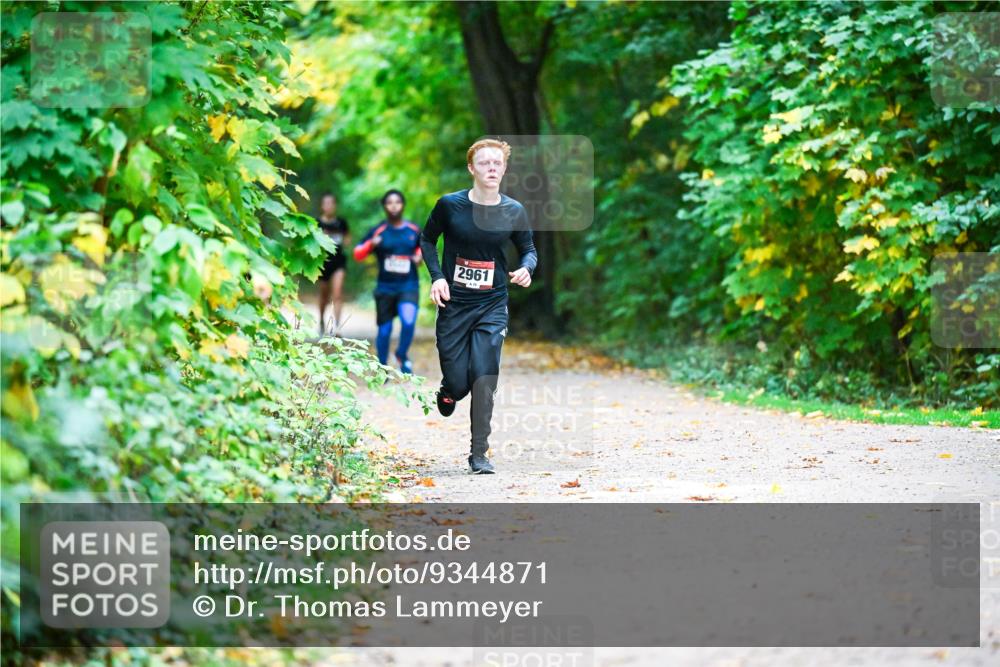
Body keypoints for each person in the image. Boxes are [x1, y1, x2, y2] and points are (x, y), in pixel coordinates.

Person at [420, 139, 537, 475]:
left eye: (497, 163)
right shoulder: (449, 206)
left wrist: (527, 268)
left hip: (492, 304)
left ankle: (479, 453)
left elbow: (529, 249)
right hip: (455, 305)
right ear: (471, 168)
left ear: (503, 168)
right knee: (459, 383)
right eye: (484, 163)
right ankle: (448, 390)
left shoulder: (513, 210)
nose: (491, 168)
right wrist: (437, 277)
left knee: (484, 376)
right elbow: (428, 239)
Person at [353, 190, 422, 373]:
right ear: (384, 206)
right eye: (389, 202)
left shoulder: (413, 230)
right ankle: (382, 366)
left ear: (403, 205)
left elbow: (424, 249)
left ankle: (401, 354)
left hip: (408, 285)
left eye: (397, 202)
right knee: (384, 331)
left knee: (408, 322)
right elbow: (358, 253)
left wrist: (418, 256)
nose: (394, 206)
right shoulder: (378, 230)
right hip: (385, 287)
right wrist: (371, 244)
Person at [315, 192, 350, 336]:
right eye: (326, 203)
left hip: (338, 262)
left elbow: (347, 241)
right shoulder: (316, 223)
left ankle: (337, 326)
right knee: (324, 295)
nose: (328, 206)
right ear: (322, 206)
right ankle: (322, 320)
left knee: (337, 293)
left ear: (335, 205)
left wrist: (339, 239)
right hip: (322, 263)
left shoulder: (341, 223)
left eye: (331, 203)